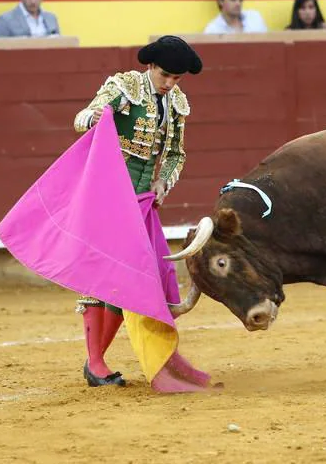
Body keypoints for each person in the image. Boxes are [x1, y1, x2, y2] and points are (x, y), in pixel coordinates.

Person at [72, 35, 203, 387]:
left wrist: (164, 183)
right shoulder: (124, 85)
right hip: (107, 192)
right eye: (165, 76)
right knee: (104, 275)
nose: (170, 84)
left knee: (129, 276)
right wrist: (94, 116)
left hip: (142, 199)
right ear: (150, 67)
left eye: (177, 78)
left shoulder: (176, 102)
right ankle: (96, 361)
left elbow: (176, 154)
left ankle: (96, 360)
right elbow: (81, 119)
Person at [203, 0, 268, 34]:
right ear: (221, 1)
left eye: (240, 0)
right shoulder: (212, 30)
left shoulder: (255, 17)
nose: (238, 4)